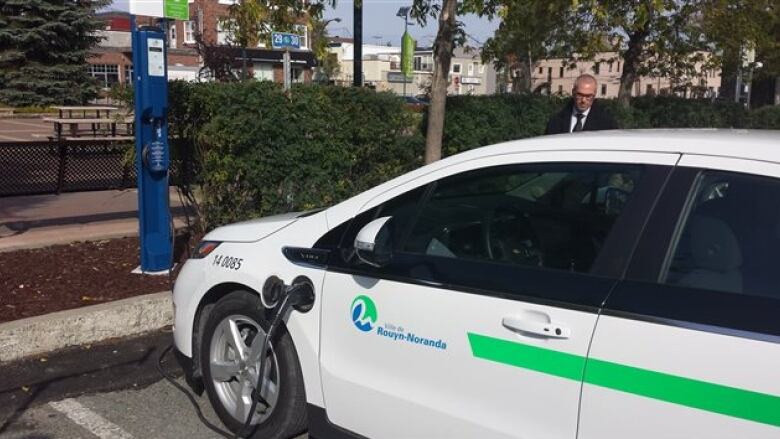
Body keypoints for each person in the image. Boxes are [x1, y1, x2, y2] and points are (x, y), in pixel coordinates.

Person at [545, 74, 618, 134]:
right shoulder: (555, 121)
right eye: (580, 95)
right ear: (573, 92)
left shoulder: (607, 124)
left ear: (594, 95)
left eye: (588, 96)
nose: (583, 100)